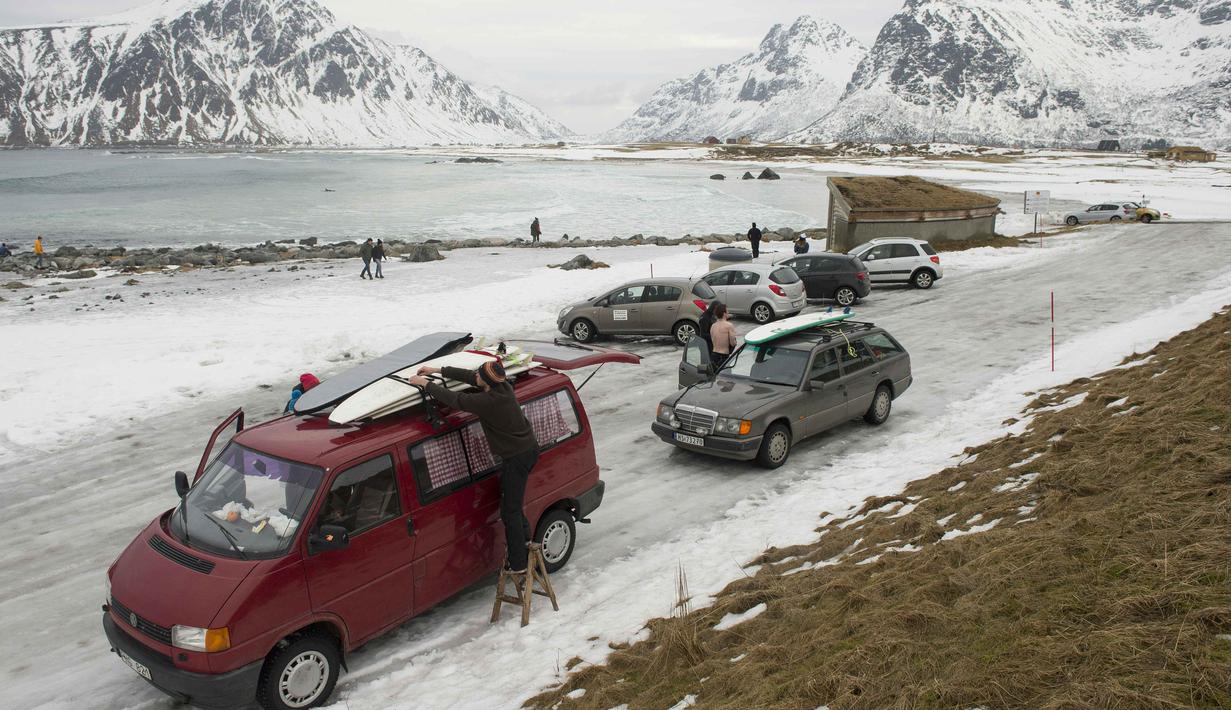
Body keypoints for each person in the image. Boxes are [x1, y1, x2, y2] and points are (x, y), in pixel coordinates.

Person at [408, 360, 539, 573]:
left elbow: (456, 399)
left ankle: (519, 564)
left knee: (510, 511)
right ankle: (524, 542)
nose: (475, 375)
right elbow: (471, 377)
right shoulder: (501, 386)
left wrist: (425, 384)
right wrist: (437, 370)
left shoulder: (490, 401)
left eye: (479, 374)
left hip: (518, 457)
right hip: (525, 450)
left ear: (486, 382)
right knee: (512, 505)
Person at [709, 303, 737, 369]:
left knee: (714, 376)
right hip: (723, 356)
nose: (728, 313)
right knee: (725, 377)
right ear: (724, 314)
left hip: (713, 355)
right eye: (727, 311)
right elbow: (732, 343)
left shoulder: (713, 326)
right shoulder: (729, 326)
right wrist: (735, 342)